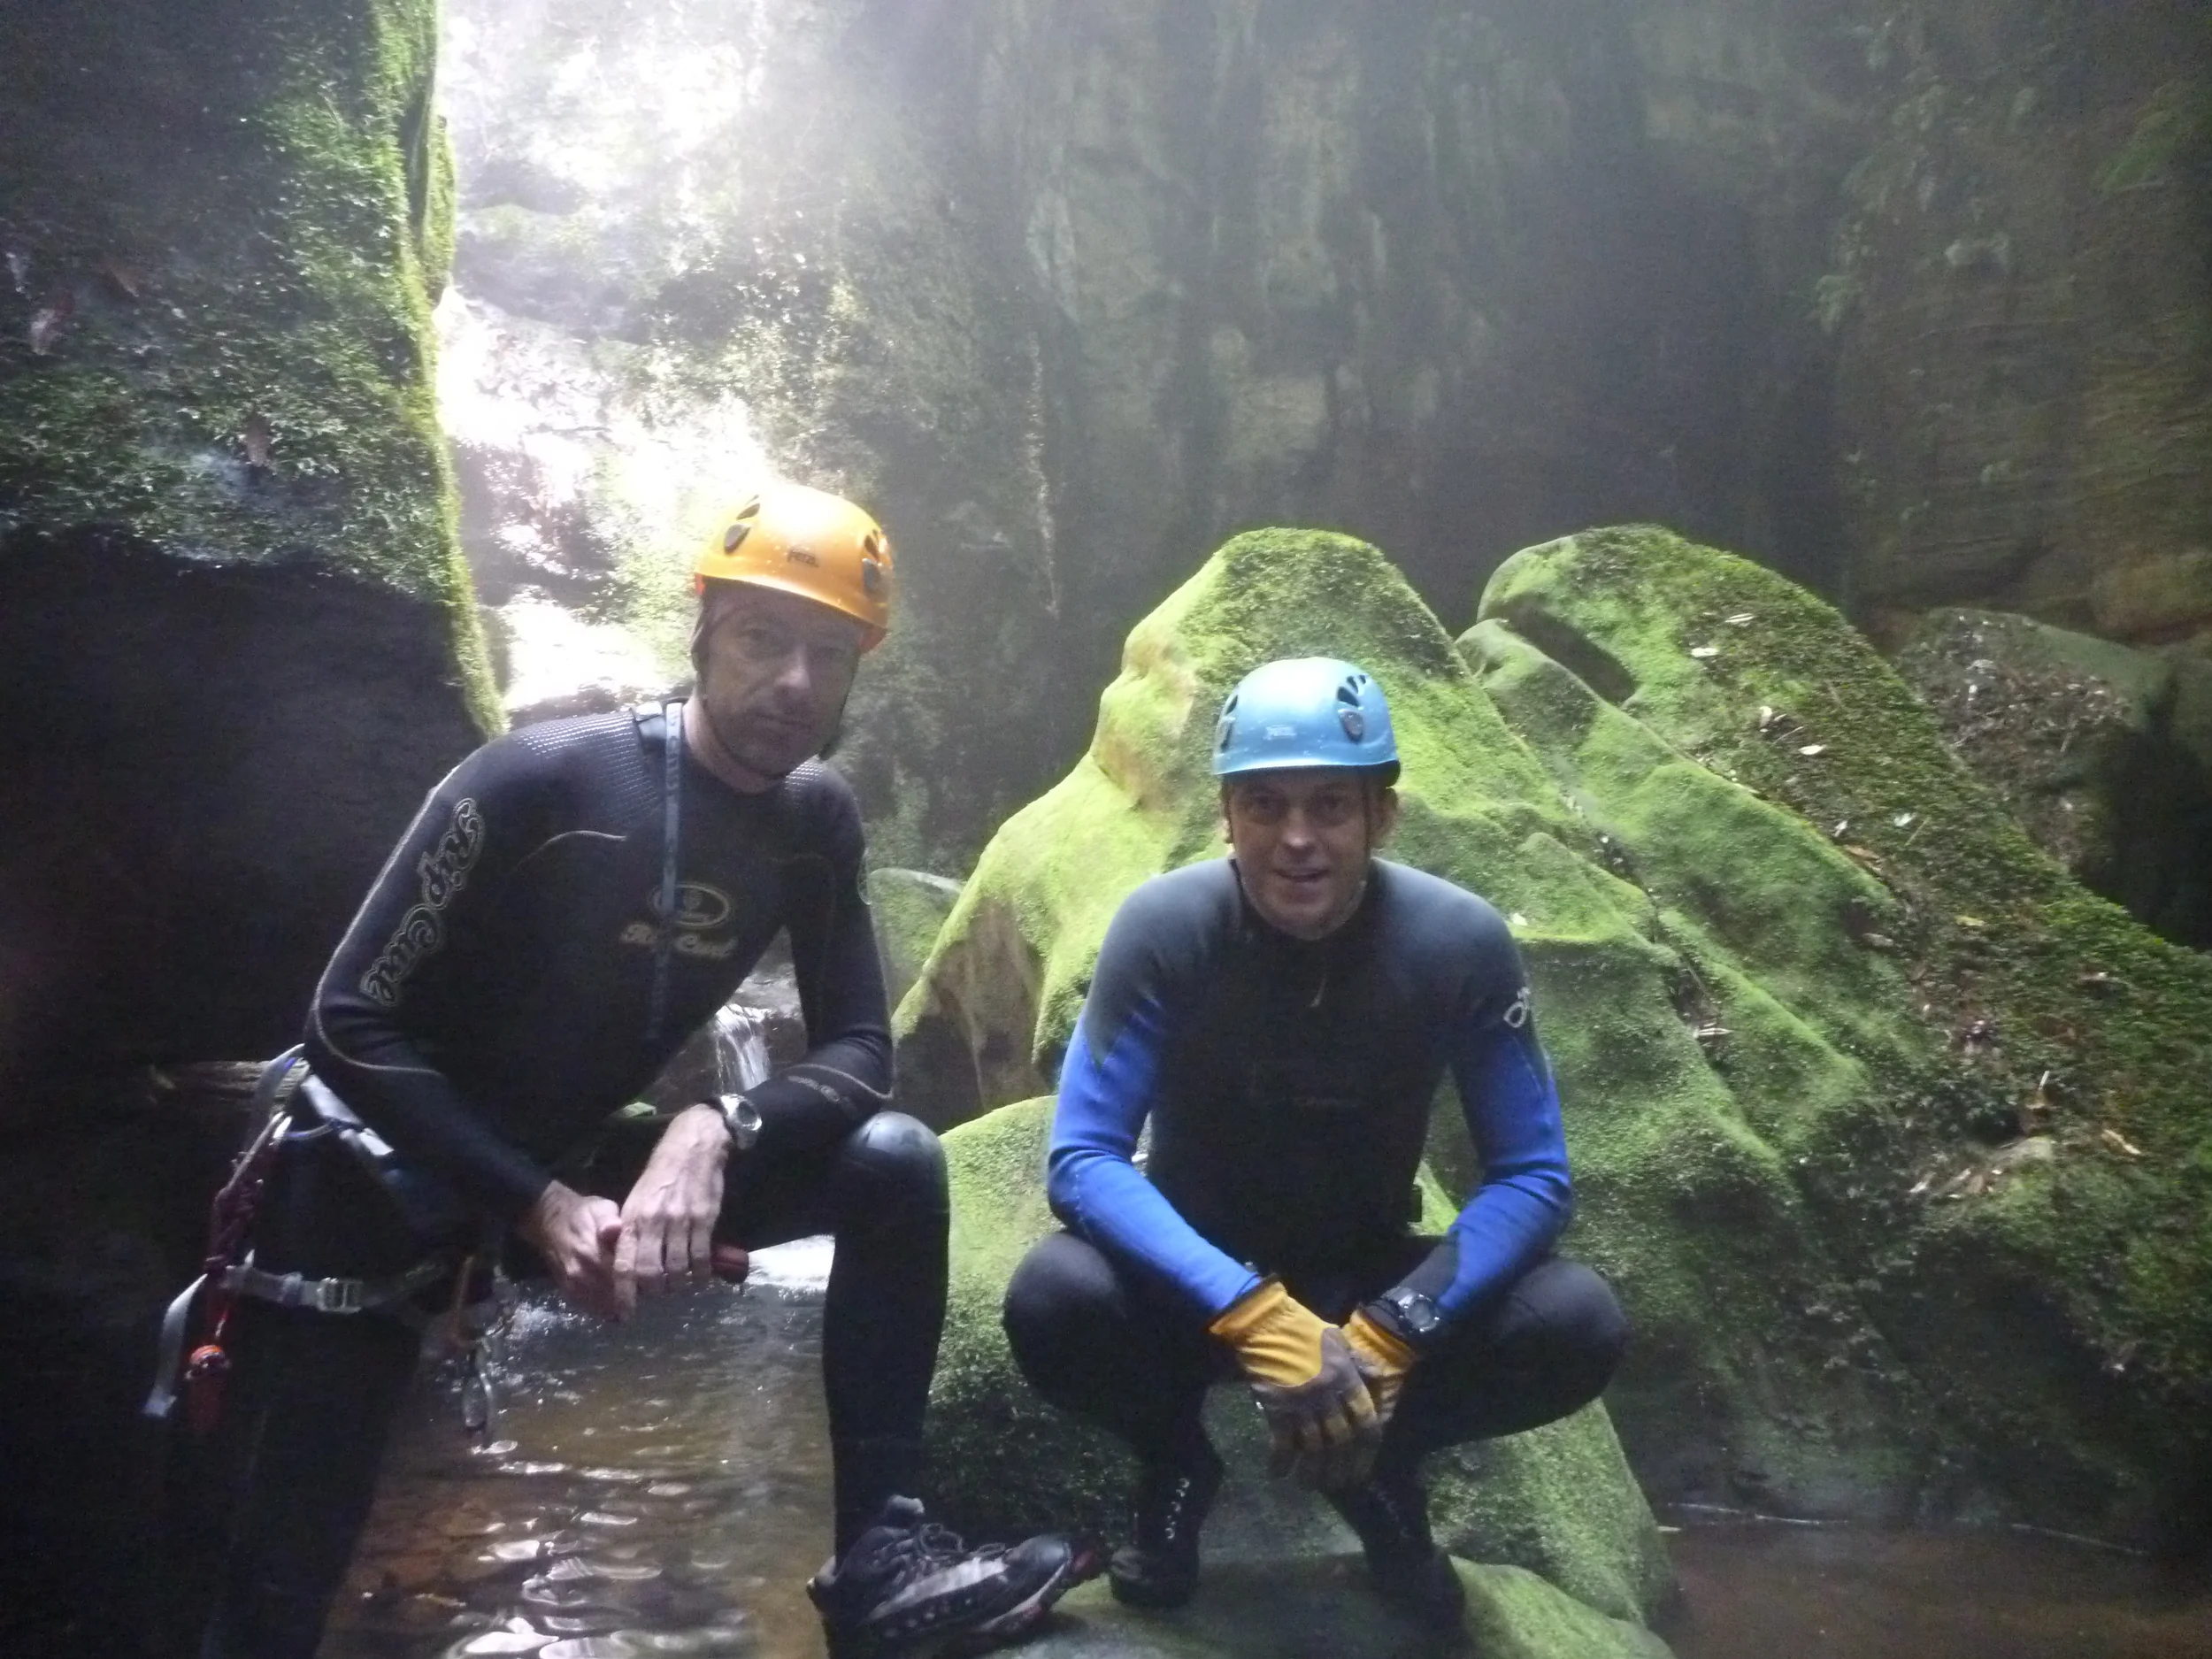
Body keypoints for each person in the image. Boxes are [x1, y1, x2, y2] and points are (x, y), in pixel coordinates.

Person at [173, 483, 1094, 1659]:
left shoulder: (813, 820)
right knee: (271, 1597)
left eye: (828, 652)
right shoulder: (540, 781)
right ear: (704, 626)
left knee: (893, 1163)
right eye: (764, 638)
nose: (794, 684)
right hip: (365, 1193)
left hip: (564, 1179)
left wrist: (717, 1124)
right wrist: (539, 1203)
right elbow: (349, 1017)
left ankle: (880, 1557)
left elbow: (863, 1047)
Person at [1000, 656, 1628, 1630]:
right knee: (1053, 1298)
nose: (1296, 840)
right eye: (1264, 806)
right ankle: (1175, 1462)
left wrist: (1393, 1330)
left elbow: (1533, 1178)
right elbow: (1082, 1158)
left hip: (1364, 1275)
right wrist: (1250, 1315)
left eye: (1330, 806)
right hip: (1195, 1287)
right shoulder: (1166, 929)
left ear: (1383, 815)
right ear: (1225, 816)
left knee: (1578, 1320)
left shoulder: (1455, 943)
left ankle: (1376, 1466)